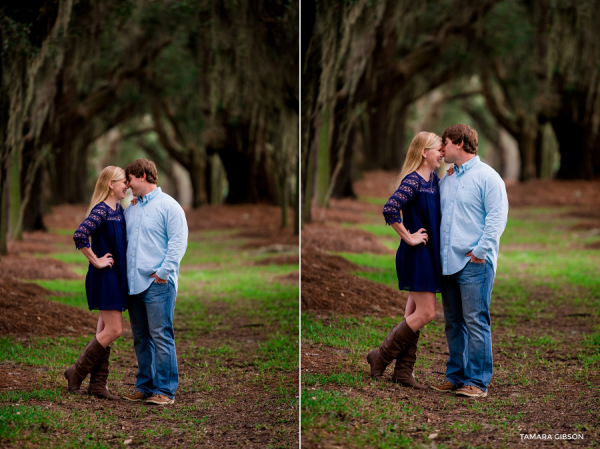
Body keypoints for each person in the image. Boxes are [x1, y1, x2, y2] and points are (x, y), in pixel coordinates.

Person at [431, 124, 508, 398]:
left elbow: (497, 218)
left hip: (475, 263)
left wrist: (481, 251)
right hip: (448, 262)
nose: (442, 149)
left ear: (460, 144)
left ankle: (477, 381)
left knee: (475, 321)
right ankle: (456, 376)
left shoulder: (488, 177)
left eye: (446, 143)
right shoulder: (448, 178)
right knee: (453, 322)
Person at [366, 132, 443, 389]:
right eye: (438, 149)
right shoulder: (413, 181)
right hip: (416, 253)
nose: (442, 153)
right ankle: (380, 357)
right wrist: (408, 237)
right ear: (424, 152)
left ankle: (403, 372)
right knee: (426, 312)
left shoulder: (434, 180)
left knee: (412, 313)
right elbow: (390, 208)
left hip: (428, 254)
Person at [122, 159, 188, 406]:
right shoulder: (132, 208)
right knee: (141, 338)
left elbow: (178, 242)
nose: (127, 185)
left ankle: (165, 390)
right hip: (133, 285)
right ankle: (145, 387)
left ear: (141, 176)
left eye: (129, 179)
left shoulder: (169, 206)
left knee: (161, 336)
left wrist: (164, 272)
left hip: (158, 284)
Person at [66, 166, 129, 400]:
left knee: (103, 331)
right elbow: (80, 234)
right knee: (114, 330)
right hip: (105, 276)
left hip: (116, 275)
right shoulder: (101, 210)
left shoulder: (119, 209)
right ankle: (76, 372)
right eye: (124, 181)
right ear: (110, 184)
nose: (128, 185)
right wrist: (96, 261)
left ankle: (98, 385)